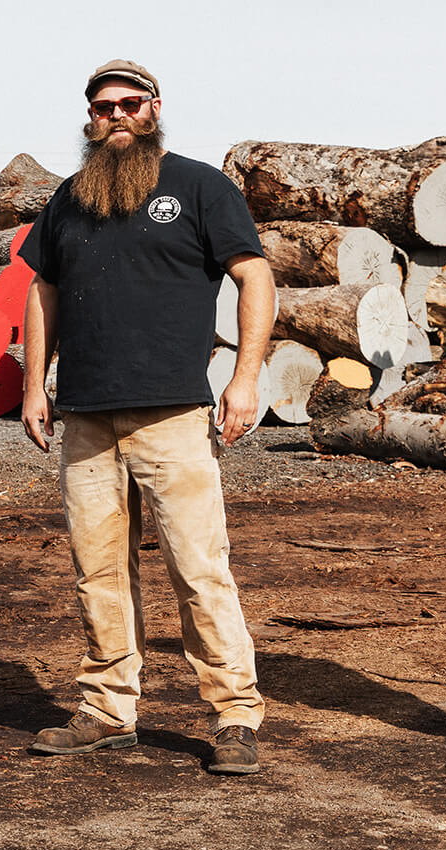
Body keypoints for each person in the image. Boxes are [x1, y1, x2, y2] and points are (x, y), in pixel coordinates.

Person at [18, 58, 276, 776]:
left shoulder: (197, 186)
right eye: (104, 108)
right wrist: (34, 384)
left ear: (155, 109)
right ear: (89, 118)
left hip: (173, 415)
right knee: (97, 570)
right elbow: (43, 290)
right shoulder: (70, 198)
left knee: (200, 571)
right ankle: (107, 709)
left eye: (131, 104)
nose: (117, 116)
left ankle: (234, 716)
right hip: (87, 417)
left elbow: (253, 274)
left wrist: (246, 378)